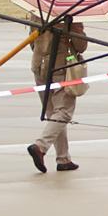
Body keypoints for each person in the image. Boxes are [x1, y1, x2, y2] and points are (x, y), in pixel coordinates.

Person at [27, 19, 85, 173]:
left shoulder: (37, 12)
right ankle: (41, 146)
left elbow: (32, 42)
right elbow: (81, 46)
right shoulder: (71, 13)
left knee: (53, 114)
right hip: (61, 67)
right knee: (64, 112)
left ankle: (63, 158)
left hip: (39, 66)